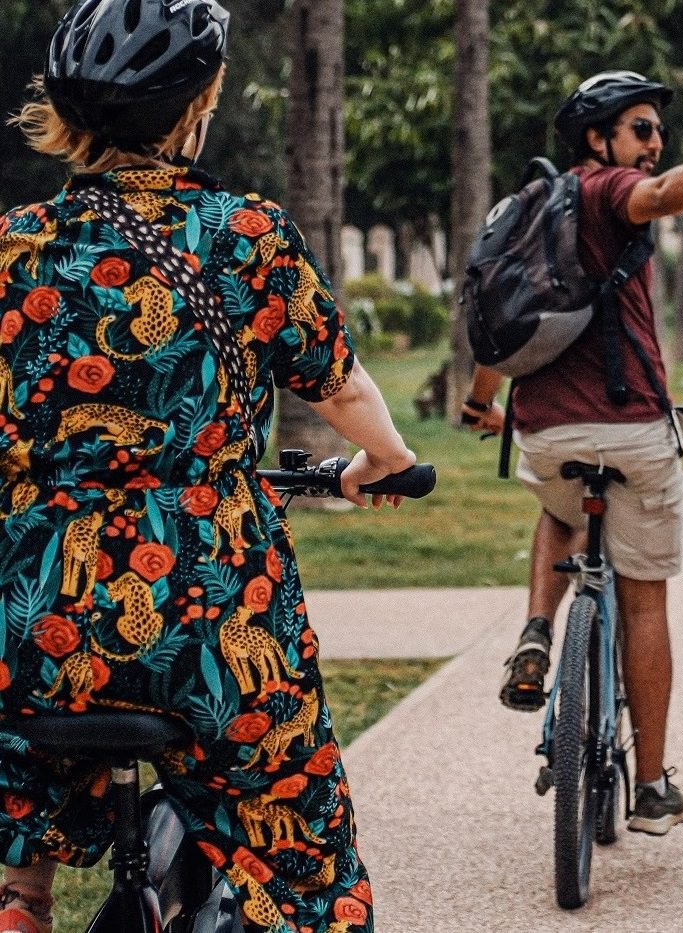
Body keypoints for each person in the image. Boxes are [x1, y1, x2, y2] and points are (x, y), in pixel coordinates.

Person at [0, 2, 417, 930]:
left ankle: (19, 903)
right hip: (210, 613)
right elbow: (343, 391)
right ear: (199, 106)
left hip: (38, 612)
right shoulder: (247, 234)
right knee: (304, 870)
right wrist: (385, 461)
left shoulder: (14, 245)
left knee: (16, 834)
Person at [462, 70, 683, 836]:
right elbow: (662, 196)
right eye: (641, 129)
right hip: (630, 429)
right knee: (643, 597)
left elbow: (499, 311)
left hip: (541, 431)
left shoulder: (531, 207)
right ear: (599, 139)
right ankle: (652, 783)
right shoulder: (607, 192)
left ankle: (538, 627)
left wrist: (480, 400)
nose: (655, 143)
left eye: (658, 132)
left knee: (556, 506)